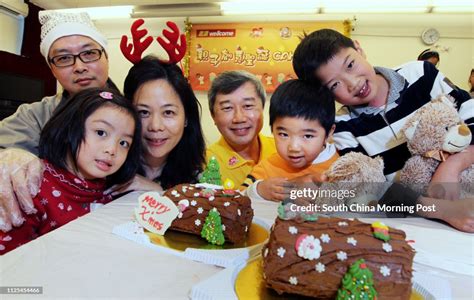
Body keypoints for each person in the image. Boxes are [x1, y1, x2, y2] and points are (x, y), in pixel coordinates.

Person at [292, 29, 474, 232]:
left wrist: (453, 166)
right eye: (335, 84)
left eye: (350, 65)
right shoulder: (344, 127)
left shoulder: (421, 74)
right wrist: (444, 210)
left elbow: (470, 113)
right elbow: (372, 190)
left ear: (358, 48)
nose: (353, 83)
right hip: (420, 225)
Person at [0, 11, 117, 232]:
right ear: (52, 68)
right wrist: (8, 155)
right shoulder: (35, 116)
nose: (79, 66)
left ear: (106, 57)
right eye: (64, 58)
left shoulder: (133, 112)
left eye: (89, 53)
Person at [0, 88, 141, 254]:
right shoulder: (31, 186)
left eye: (124, 143)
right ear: (69, 129)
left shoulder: (112, 189)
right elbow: (10, 266)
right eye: (101, 132)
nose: (112, 149)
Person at [242, 80, 339, 202]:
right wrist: (258, 190)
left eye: (307, 136)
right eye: (283, 134)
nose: (294, 147)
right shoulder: (267, 167)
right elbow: (238, 198)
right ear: (272, 129)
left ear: (329, 132)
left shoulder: (342, 166)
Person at [120, 55, 206, 191]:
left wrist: (158, 191)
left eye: (168, 112)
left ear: (186, 118)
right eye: (143, 112)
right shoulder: (108, 169)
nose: (155, 126)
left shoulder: (199, 180)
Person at [206, 70, 276, 186]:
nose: (239, 118)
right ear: (213, 116)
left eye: (248, 106)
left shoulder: (283, 151)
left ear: (262, 108)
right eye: (227, 108)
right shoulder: (204, 165)